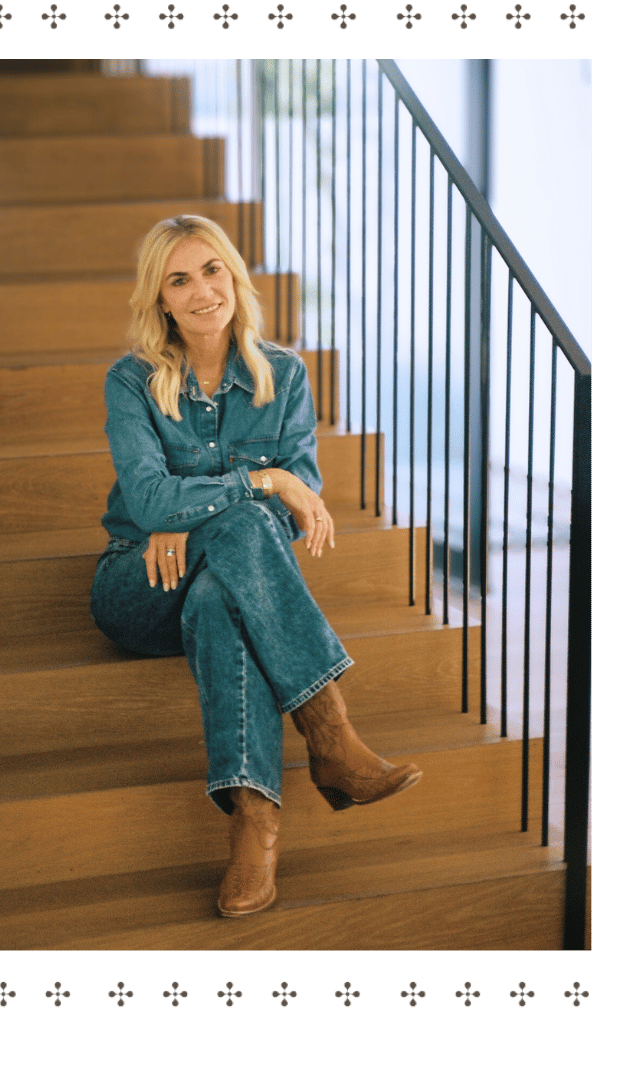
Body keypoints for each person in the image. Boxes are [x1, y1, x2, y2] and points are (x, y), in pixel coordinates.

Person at [90, 215, 422, 918]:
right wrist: (260, 480)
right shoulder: (133, 380)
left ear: (233, 277)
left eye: (212, 270)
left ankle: (256, 823)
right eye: (179, 279)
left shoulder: (285, 373)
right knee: (245, 513)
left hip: (213, 577)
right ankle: (330, 737)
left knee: (219, 596)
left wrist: (191, 515)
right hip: (135, 583)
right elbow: (151, 497)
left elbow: (296, 514)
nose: (201, 289)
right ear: (160, 299)